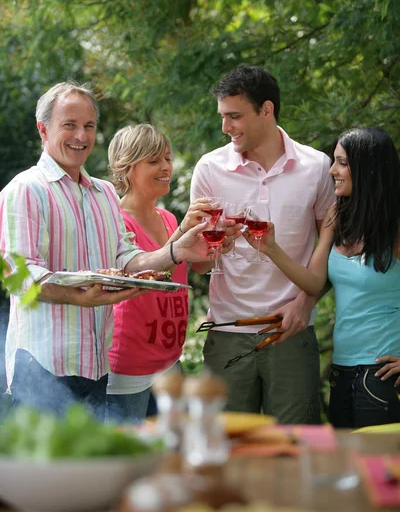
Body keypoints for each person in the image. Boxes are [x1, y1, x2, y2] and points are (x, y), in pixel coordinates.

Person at [0, 81, 211, 420]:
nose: (80, 136)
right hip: (42, 366)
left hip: (98, 366)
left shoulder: (103, 193)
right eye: (69, 125)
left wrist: (175, 251)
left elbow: (126, 260)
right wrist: (79, 295)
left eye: (88, 126)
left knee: (96, 468)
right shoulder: (26, 189)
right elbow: (20, 277)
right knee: (48, 471)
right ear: (44, 129)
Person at [190, 64, 335, 424]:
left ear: (266, 110)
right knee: (223, 446)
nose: (226, 128)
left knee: (294, 446)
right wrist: (214, 250)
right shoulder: (209, 169)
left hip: (290, 332)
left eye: (235, 116)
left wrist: (306, 302)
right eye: (223, 117)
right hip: (227, 333)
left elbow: (331, 246)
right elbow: (198, 264)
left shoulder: (316, 167)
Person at [248, 127, 400, 428]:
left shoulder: (396, 228)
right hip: (341, 373)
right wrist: (271, 249)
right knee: (346, 469)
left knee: (380, 471)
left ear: (367, 168)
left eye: (342, 163)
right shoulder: (338, 216)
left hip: (383, 376)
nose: (332, 170)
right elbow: (314, 283)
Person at [106, 124, 209, 422]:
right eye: (153, 161)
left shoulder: (167, 217)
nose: (166, 167)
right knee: (130, 460)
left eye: (166, 158)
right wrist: (184, 232)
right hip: (129, 365)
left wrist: (215, 248)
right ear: (126, 168)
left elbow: (190, 267)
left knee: (172, 456)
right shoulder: (115, 221)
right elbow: (147, 265)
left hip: (169, 359)